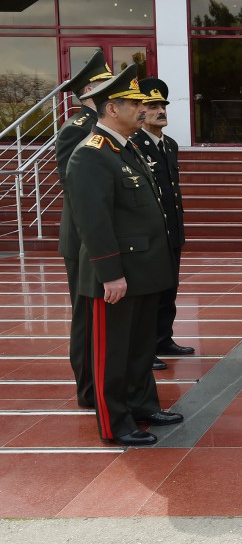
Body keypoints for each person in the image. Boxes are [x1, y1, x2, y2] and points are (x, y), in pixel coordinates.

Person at [64, 63, 182, 446]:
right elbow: (92, 222)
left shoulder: (125, 148)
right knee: (112, 353)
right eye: (133, 103)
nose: (142, 109)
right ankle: (116, 422)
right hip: (117, 277)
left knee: (140, 348)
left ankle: (142, 404)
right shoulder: (92, 153)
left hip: (144, 270)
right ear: (112, 108)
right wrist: (109, 273)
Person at [55, 49, 112, 409]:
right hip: (81, 239)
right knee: (85, 315)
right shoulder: (77, 130)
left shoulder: (104, 127)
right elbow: (77, 189)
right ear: (92, 88)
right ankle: (88, 389)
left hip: (96, 237)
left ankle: (104, 383)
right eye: (109, 83)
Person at [132, 78, 194, 370]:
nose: (161, 111)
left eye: (163, 106)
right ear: (140, 112)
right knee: (150, 294)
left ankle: (163, 339)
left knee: (169, 290)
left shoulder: (168, 145)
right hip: (150, 235)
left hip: (170, 232)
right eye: (153, 106)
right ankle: (146, 349)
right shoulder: (134, 145)